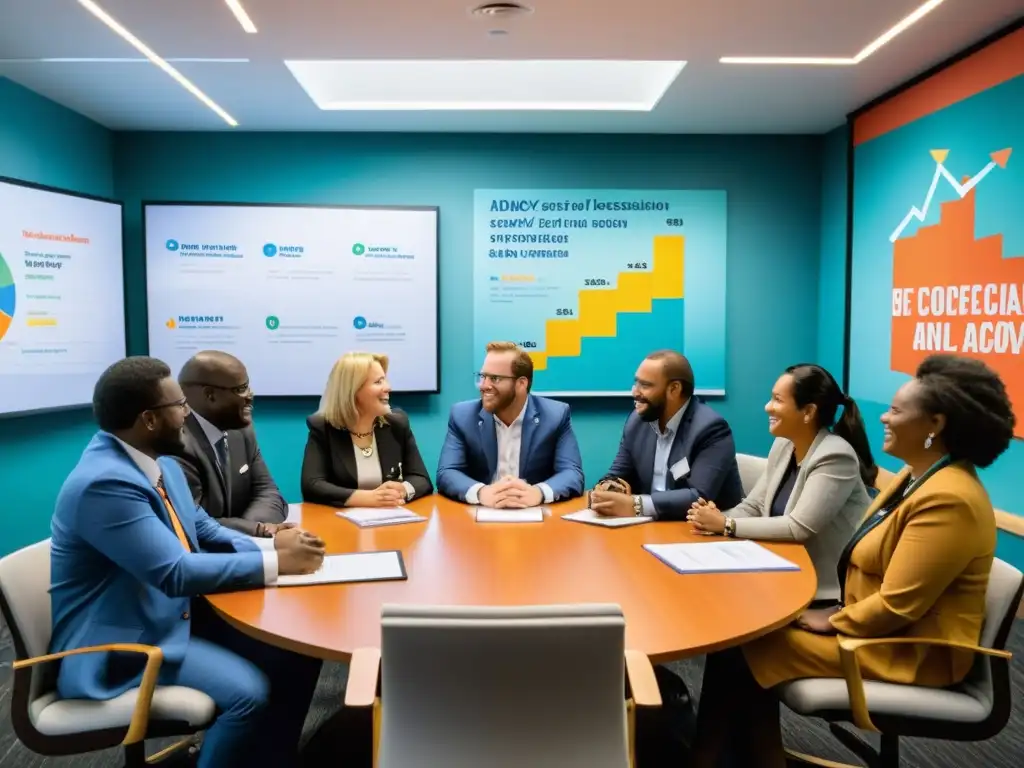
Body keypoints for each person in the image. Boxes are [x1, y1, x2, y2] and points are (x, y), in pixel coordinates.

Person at [691, 354, 1017, 767]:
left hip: (908, 652)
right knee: (740, 639)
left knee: (741, 645)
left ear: (935, 425)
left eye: (897, 410)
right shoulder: (917, 476)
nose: (884, 418)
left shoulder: (949, 498)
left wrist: (832, 618)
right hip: (877, 628)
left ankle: (719, 757)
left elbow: (898, 605)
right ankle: (750, 756)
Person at [49, 357, 327, 768]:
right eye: (179, 405)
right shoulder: (104, 483)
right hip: (124, 644)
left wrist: (274, 548)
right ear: (148, 419)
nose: (187, 414)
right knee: (247, 695)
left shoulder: (159, 465)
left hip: (172, 617)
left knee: (297, 654)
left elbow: (206, 532)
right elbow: (174, 572)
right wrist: (278, 566)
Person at [688, 363, 876, 602]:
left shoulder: (836, 456)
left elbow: (799, 528)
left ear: (808, 412)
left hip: (823, 590)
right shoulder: (785, 444)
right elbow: (754, 506)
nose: (768, 407)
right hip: (779, 571)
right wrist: (711, 519)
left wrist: (727, 525)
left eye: (778, 400)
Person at [590, 350, 743, 520]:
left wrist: (637, 505)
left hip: (704, 530)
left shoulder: (711, 429)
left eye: (645, 385)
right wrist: (609, 487)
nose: (635, 392)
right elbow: (618, 473)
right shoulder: (637, 421)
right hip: (651, 526)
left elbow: (699, 496)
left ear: (674, 389)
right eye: (636, 383)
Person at [436, 341, 584, 506]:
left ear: (521, 383)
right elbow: (447, 472)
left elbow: (572, 474)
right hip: (481, 514)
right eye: (483, 376)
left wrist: (538, 492)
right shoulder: (463, 416)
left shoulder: (555, 415)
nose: (483, 385)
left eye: (495, 378)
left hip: (536, 516)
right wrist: (481, 492)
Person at [174, 350, 288, 537]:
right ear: (210, 395)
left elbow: (268, 492)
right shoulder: (176, 443)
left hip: (242, 549)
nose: (250, 395)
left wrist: (254, 528)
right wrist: (254, 530)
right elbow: (190, 522)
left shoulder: (241, 429)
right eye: (241, 388)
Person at [301, 352, 433, 507]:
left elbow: (421, 479)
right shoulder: (323, 427)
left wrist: (403, 489)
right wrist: (369, 498)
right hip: (340, 524)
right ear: (353, 391)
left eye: (385, 380)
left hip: (391, 521)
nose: (388, 388)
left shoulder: (397, 423)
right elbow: (312, 486)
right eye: (378, 382)